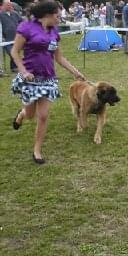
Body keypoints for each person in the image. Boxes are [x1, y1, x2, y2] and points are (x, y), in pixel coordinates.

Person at [10, 0, 85, 164]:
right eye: (58, 16)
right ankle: (22, 114)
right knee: (30, 115)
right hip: (30, 79)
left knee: (43, 116)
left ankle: (37, 150)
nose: (60, 19)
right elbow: (14, 51)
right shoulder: (26, 27)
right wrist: (23, 71)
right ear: (48, 15)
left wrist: (76, 72)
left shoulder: (54, 32)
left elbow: (59, 57)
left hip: (48, 79)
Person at [0, 0, 23, 73]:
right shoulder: (0, 15)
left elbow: (22, 22)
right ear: (2, 6)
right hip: (6, 39)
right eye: (8, 5)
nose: (10, 6)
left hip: (17, 37)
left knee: (16, 52)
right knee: (12, 53)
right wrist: (2, 37)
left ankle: (14, 68)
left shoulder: (15, 13)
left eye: (10, 5)